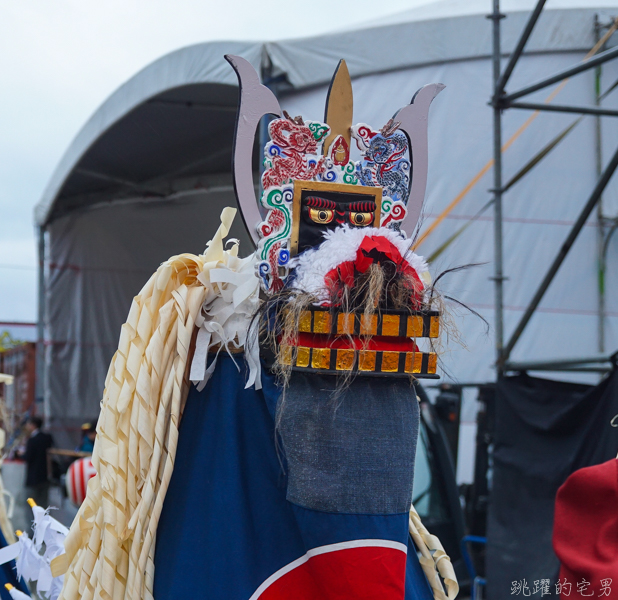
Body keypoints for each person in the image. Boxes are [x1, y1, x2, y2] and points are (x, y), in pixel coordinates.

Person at [21, 416, 53, 508]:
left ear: (33, 426)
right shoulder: (47, 437)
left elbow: (28, 457)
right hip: (45, 476)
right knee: (43, 504)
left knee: (31, 504)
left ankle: (33, 522)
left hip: (33, 477)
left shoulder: (31, 440)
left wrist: (20, 454)